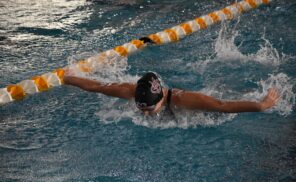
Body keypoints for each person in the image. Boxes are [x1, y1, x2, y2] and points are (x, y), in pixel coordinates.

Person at [63, 71, 280, 116]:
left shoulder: (185, 100)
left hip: (204, 109)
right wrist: (66, 77)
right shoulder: (130, 91)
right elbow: (95, 87)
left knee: (217, 103)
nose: (145, 114)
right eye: (142, 109)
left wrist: (261, 105)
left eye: (149, 109)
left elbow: (222, 106)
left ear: (160, 100)